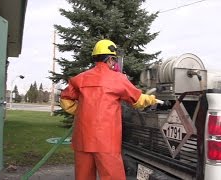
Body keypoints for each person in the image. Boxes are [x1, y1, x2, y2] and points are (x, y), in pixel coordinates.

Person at [59, 39, 158, 180]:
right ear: (111, 59)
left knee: (83, 177)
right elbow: (138, 100)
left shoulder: (79, 79)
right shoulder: (118, 79)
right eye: (114, 60)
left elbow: (65, 99)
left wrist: (81, 111)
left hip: (82, 139)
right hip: (107, 141)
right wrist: (152, 99)